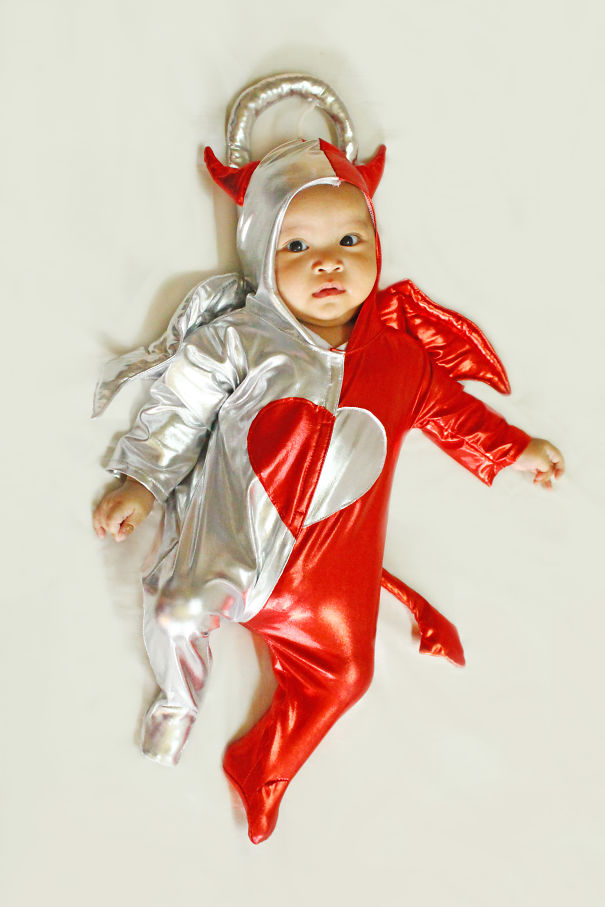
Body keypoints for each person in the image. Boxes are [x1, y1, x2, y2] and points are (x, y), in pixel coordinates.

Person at [93, 137, 564, 844]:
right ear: (261, 259)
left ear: (377, 245)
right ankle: (178, 701)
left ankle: (263, 765)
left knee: (348, 673)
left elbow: (454, 414)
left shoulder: (400, 361)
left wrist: (516, 450)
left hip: (327, 586)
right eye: (297, 247)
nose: (327, 262)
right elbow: (180, 408)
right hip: (234, 550)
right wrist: (140, 482)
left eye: (349, 240)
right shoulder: (241, 341)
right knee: (177, 612)